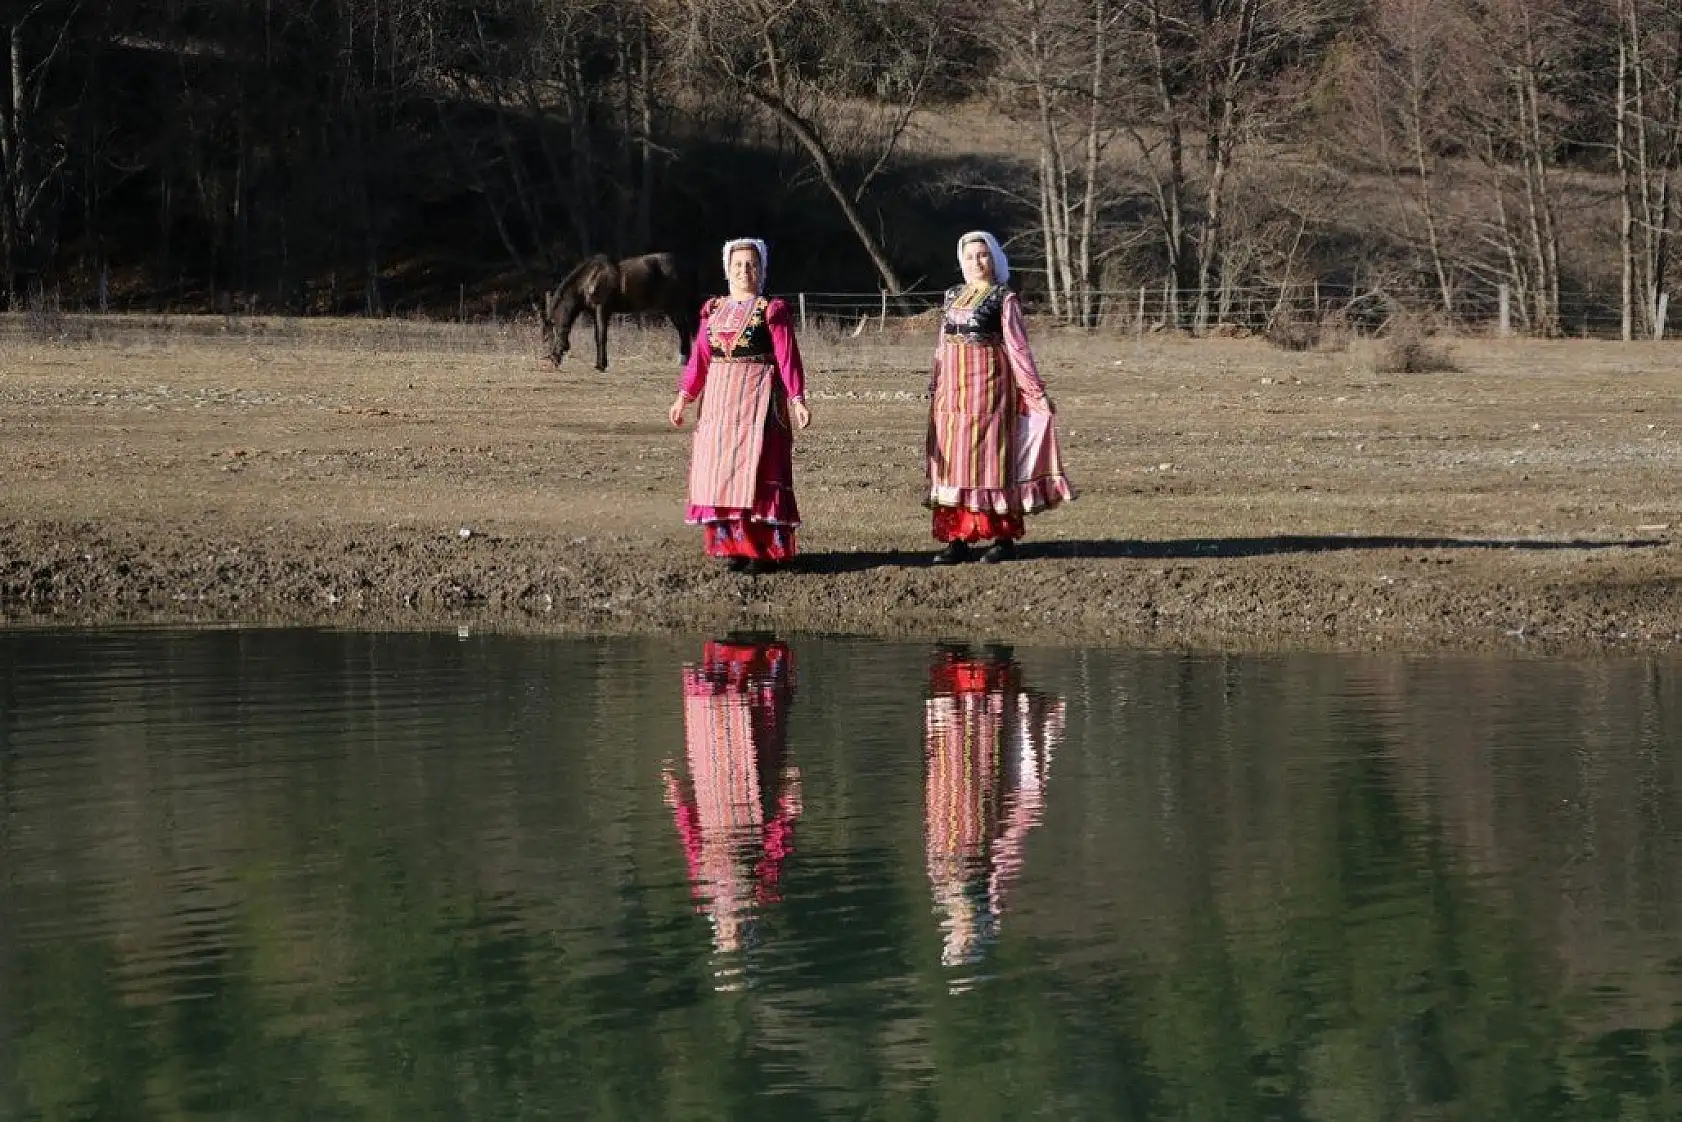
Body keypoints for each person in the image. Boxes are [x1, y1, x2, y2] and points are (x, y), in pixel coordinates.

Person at [926, 231, 1074, 564]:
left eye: (983, 255)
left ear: (994, 259)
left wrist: (1036, 393)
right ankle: (958, 538)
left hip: (989, 393)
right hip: (952, 396)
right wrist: (934, 387)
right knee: (955, 463)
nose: (977, 262)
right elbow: (940, 347)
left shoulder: (1003, 299)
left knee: (989, 463)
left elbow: (1018, 350)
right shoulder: (951, 295)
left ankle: (1003, 537)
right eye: (970, 256)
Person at [663, 636, 802, 988]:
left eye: (727, 936)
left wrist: (678, 797)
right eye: (732, 936)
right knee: (753, 724)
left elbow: (692, 842)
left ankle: (736, 656)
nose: (729, 930)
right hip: (739, 802)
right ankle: (742, 656)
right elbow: (776, 846)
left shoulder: (705, 893)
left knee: (740, 722)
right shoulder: (761, 892)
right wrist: (787, 805)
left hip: (721, 798)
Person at [669, 238, 812, 575]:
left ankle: (761, 550)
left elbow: (787, 357)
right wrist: (683, 398)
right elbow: (700, 359)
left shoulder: (771, 310)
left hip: (757, 399)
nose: (744, 271)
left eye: (751, 265)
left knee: (756, 471)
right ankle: (733, 545)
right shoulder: (714, 310)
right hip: (719, 402)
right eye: (737, 265)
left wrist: (798, 399)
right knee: (720, 472)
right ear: (727, 270)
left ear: (761, 269)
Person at [923, 643, 1064, 982]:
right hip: (962, 822)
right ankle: (978, 674)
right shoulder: (972, 903)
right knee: (970, 755)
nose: (958, 937)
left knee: (971, 754)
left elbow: (984, 865)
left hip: (962, 824)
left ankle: (975, 674)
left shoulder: (962, 897)